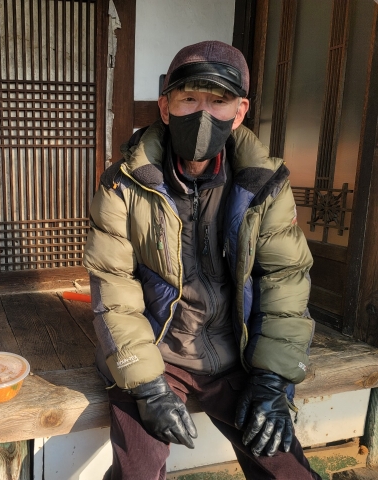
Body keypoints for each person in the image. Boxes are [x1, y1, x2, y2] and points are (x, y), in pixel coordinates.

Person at [83, 40, 321, 479]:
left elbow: (285, 280)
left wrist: (272, 379)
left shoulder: (263, 185)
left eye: (219, 101)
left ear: (240, 111)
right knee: (137, 472)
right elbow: (113, 287)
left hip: (237, 356)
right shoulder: (124, 184)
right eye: (189, 98)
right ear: (166, 106)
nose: (203, 114)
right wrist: (148, 386)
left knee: (289, 472)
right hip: (157, 352)